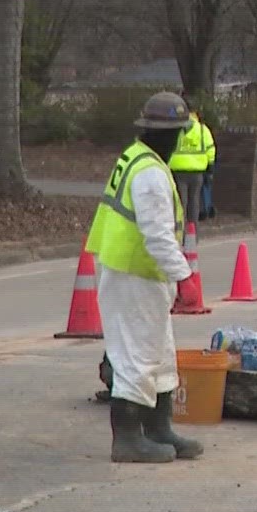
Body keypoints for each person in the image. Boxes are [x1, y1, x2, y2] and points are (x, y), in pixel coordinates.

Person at [84, 91, 204, 464]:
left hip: (138, 272)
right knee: (136, 354)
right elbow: (156, 233)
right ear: (173, 134)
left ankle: (158, 428)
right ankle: (128, 439)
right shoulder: (150, 172)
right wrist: (183, 276)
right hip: (134, 272)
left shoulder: (139, 158)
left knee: (160, 352)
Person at [170, 108, 216, 224]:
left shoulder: (175, 127)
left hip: (177, 170)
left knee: (180, 204)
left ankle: (179, 231)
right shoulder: (202, 129)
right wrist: (210, 165)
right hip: (197, 172)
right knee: (194, 202)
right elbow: (210, 148)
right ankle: (192, 233)